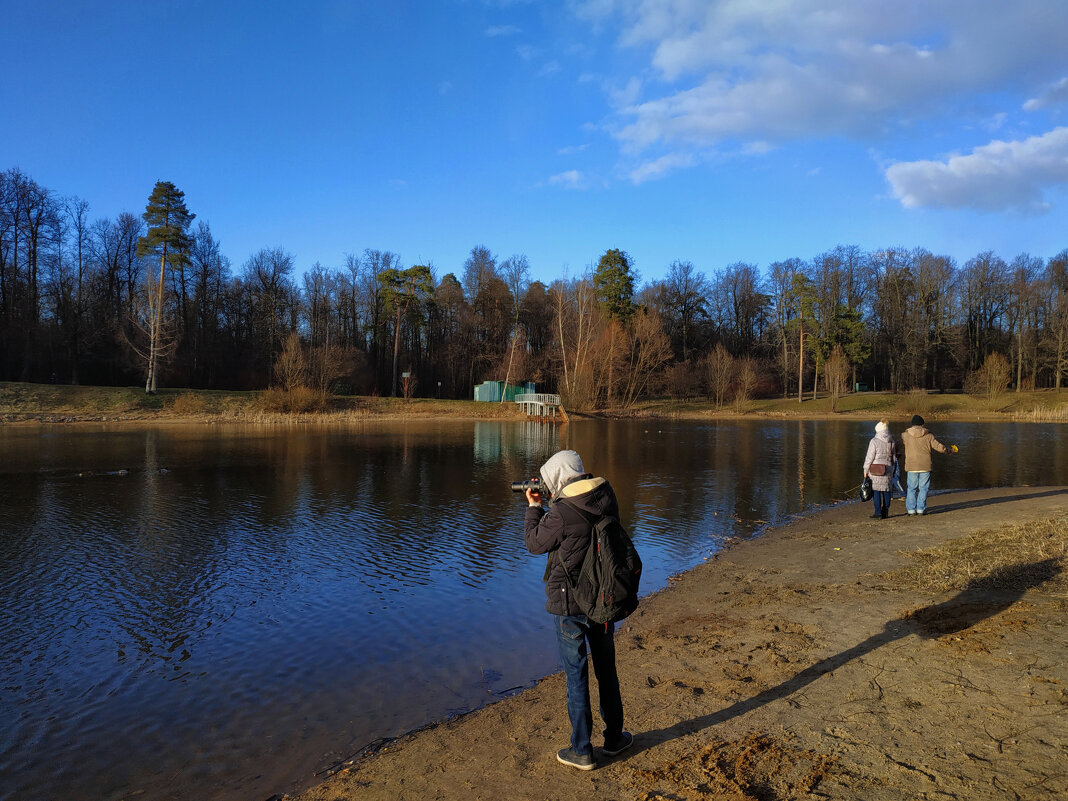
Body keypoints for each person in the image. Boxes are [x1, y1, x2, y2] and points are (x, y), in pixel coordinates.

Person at [523, 449, 633, 771]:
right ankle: (614, 739)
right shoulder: (606, 496)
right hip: (602, 599)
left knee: (576, 675)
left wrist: (534, 508)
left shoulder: (561, 513)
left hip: (570, 605)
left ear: (557, 479)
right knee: (606, 669)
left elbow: (533, 543)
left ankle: (582, 749)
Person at [901, 414, 956, 515]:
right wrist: (948, 451)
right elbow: (939, 447)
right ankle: (921, 509)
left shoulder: (905, 435)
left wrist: (895, 454)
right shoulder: (929, 436)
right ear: (922, 424)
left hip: (911, 465)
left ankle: (911, 510)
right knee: (923, 488)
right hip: (925, 465)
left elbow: (896, 445)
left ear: (912, 424)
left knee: (911, 488)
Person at [863, 419, 896, 519]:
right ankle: (885, 511)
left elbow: (869, 457)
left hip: (875, 470)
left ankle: (877, 513)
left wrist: (865, 470)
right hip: (887, 469)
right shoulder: (891, 441)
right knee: (887, 490)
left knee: (876, 491)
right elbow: (893, 458)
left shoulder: (874, 441)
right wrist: (892, 469)